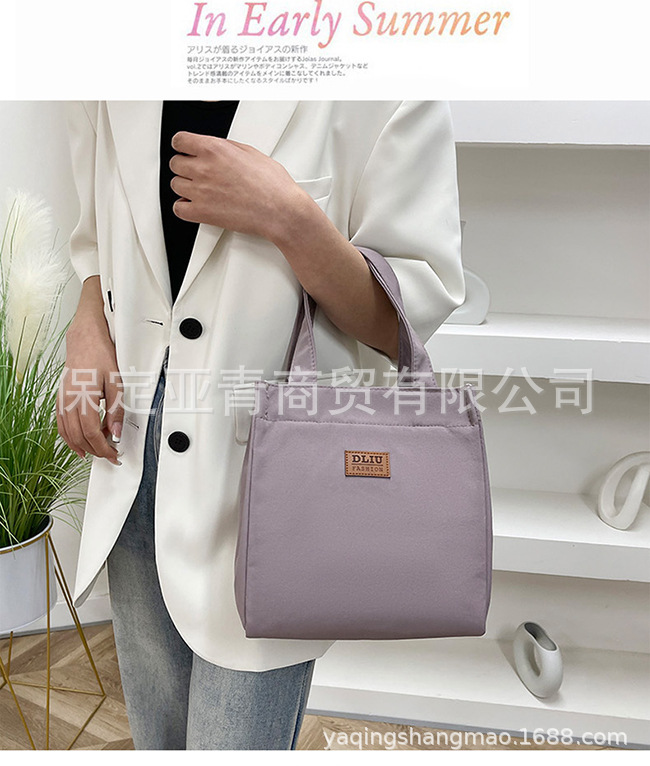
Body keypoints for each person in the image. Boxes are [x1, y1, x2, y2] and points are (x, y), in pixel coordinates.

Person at [58, 100, 465, 750]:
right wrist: (87, 325)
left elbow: (402, 321)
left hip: (269, 480)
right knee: (157, 740)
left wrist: (290, 217)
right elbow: (97, 234)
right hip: (130, 453)